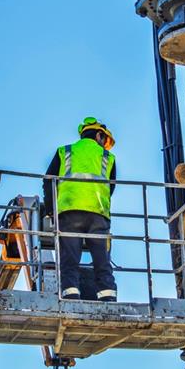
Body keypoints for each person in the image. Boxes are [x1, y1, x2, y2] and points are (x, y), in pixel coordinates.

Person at [43, 117, 117, 302]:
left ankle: (71, 294)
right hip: (98, 214)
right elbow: (111, 187)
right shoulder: (108, 158)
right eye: (104, 139)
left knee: (69, 257)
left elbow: (48, 181)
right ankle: (107, 295)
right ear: (99, 135)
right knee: (101, 258)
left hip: (69, 212)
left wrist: (51, 209)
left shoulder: (65, 152)